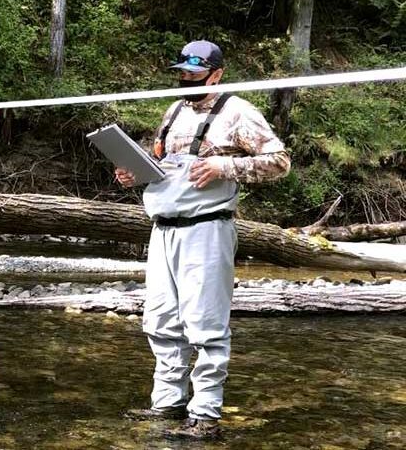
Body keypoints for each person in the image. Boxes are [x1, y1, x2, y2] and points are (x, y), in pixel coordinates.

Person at [115, 40, 290, 439]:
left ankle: (206, 415)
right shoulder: (174, 110)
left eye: (194, 75)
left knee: (206, 325)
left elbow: (280, 162)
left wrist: (224, 165)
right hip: (163, 229)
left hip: (208, 228)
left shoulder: (238, 112)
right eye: (182, 74)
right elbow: (159, 164)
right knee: (160, 321)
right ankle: (167, 404)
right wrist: (134, 173)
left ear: (217, 74)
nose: (186, 81)